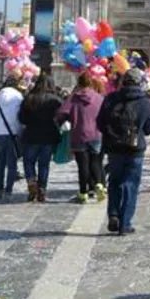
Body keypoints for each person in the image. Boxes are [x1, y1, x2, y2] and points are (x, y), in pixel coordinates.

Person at [97, 68, 150, 235]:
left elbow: (100, 122)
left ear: (123, 81)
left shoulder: (111, 98)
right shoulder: (144, 101)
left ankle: (113, 214)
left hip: (114, 149)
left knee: (114, 181)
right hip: (134, 149)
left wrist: (111, 135)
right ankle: (125, 223)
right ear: (139, 82)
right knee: (131, 184)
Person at [55, 73, 105, 204]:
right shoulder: (99, 98)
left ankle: (83, 193)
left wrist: (65, 121)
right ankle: (99, 184)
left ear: (79, 82)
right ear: (90, 83)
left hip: (79, 134)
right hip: (96, 133)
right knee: (95, 161)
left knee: (82, 165)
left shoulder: (73, 98)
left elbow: (61, 113)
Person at [18, 75, 62, 203]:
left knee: (28, 162)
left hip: (31, 134)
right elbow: (62, 115)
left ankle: (31, 181)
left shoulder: (29, 98)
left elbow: (21, 118)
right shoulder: (55, 100)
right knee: (44, 164)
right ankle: (42, 188)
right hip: (48, 135)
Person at [0, 74, 24, 201]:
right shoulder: (18, 97)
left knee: (0, 164)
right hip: (12, 134)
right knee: (12, 165)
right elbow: (19, 118)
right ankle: (9, 191)